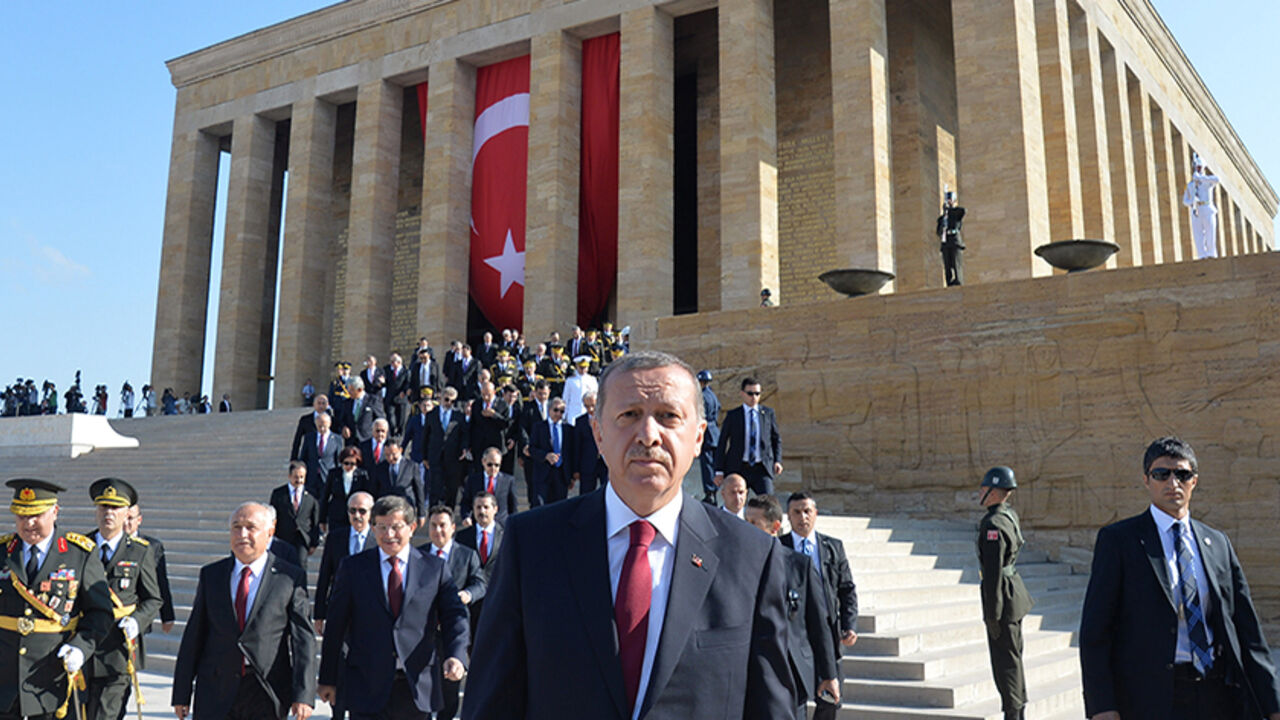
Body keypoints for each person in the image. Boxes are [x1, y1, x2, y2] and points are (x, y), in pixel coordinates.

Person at [462, 350, 795, 720]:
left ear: (699, 437)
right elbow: (490, 704)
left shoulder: (753, 558)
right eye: (629, 415)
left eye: (668, 416)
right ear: (598, 434)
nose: (648, 435)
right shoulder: (530, 545)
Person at [1080, 436, 1280, 720]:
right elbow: (1095, 631)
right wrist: (1102, 706)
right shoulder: (1119, 541)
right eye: (1161, 474)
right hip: (1152, 698)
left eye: (1182, 475)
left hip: (1217, 693)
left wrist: (1273, 704)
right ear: (1146, 480)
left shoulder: (1217, 543)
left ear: (1194, 481)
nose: (1172, 483)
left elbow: (1247, 629)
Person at [318, 496, 468, 719]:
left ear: (412, 527)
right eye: (382, 527)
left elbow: (454, 615)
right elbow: (335, 625)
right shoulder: (353, 568)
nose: (389, 534)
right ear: (373, 528)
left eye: (396, 527)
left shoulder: (434, 569)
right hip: (366, 686)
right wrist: (327, 678)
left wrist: (456, 655)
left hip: (415, 686)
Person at [172, 502, 315, 720]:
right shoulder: (212, 575)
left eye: (250, 527)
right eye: (236, 527)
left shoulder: (288, 578)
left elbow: (303, 639)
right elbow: (194, 635)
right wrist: (181, 692)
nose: (242, 535)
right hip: (216, 690)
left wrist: (303, 694)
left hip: (265, 690)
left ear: (270, 532)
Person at [0, 479, 113, 720]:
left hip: (52, 680)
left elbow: (100, 613)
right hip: (5, 681)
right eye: (21, 516)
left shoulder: (79, 553)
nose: (28, 523)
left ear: (55, 512)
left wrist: (81, 647)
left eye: (36, 515)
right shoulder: (2, 552)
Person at [744, 495, 840, 718]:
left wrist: (828, 675)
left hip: (790, 672)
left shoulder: (799, 565)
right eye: (745, 521)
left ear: (775, 527)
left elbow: (818, 623)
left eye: (754, 523)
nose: (746, 528)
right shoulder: (737, 564)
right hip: (750, 672)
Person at [83, 478, 162, 720]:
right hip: (85, 646)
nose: (109, 513)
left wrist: (137, 621)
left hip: (118, 650)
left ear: (127, 513)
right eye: (103, 507)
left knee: (106, 715)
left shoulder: (140, 551)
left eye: (115, 508)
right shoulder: (81, 547)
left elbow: (153, 599)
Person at [780, 491, 858, 720]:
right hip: (795, 634)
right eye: (796, 512)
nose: (802, 517)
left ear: (815, 513)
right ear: (788, 516)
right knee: (796, 700)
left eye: (807, 511)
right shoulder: (779, 547)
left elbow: (846, 589)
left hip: (828, 633)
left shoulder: (833, 547)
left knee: (831, 700)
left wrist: (849, 624)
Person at [976, 466, 1033, 720]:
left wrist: (992, 615)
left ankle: (1013, 714)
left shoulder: (993, 524)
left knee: (1005, 666)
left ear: (994, 491)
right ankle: (1018, 711)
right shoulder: (1009, 515)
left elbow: (993, 576)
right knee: (1014, 660)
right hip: (1014, 597)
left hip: (1004, 602)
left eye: (984, 488)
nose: (980, 492)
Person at [421, 506, 486, 720]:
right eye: (433, 525)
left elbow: (480, 583)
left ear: (453, 528)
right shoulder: (418, 554)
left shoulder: (467, 555)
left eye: (442, 525)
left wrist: (468, 594)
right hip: (423, 632)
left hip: (452, 632)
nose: (438, 530)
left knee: (449, 691)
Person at [314, 492, 375, 635]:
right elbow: (325, 576)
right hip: (340, 608)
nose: (357, 515)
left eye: (362, 511)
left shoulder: (379, 540)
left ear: (371, 513)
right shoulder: (335, 538)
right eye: (352, 511)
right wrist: (319, 614)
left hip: (370, 610)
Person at [715, 377, 782, 497]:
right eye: (750, 393)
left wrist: (777, 461)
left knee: (768, 502)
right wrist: (719, 470)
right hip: (738, 467)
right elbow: (722, 442)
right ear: (742, 394)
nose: (754, 397)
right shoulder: (733, 415)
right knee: (735, 501)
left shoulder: (768, 414)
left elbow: (776, 439)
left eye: (757, 393)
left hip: (761, 468)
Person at [269, 462, 322, 572]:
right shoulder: (279, 494)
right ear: (289, 476)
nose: (299, 480)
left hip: (302, 538)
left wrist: (314, 542)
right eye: (296, 477)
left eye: (302, 477)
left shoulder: (311, 495)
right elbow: (272, 517)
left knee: (300, 568)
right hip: (283, 537)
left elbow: (315, 519)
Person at [424, 387, 469, 509]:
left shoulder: (459, 416)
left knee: (452, 489)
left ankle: (450, 513)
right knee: (435, 487)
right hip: (435, 456)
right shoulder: (431, 415)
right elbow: (426, 436)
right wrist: (425, 457)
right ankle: (433, 512)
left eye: (453, 401)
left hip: (453, 457)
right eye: (447, 399)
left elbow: (464, 435)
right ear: (441, 398)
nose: (449, 403)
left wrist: (464, 448)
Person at [528, 397, 575, 504]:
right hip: (542, 474)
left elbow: (571, 453)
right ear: (549, 410)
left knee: (559, 508)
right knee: (540, 506)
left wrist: (571, 476)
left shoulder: (568, 429)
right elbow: (532, 449)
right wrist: (546, 455)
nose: (558, 413)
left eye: (562, 411)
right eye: (556, 410)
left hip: (561, 474)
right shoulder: (539, 427)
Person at [320, 447, 377, 532]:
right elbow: (325, 496)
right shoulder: (334, 474)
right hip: (336, 515)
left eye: (352, 464)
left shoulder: (362, 475)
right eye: (346, 463)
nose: (349, 466)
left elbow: (367, 497)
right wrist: (322, 520)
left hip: (355, 515)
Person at [460, 448, 518, 527]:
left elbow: (513, 506)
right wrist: (466, 517)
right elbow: (466, 502)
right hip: (478, 524)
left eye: (497, 465)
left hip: (501, 526)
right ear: (483, 462)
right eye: (490, 464)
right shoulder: (473, 480)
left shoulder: (508, 481)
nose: (493, 468)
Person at [1182, 153, 1221, 260]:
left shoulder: (1207, 181)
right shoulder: (1190, 185)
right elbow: (1185, 200)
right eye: (1197, 167)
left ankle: (1211, 253)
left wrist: (1201, 178)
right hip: (1196, 210)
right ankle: (1202, 254)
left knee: (1210, 233)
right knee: (1198, 234)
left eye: (1200, 167)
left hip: (1207, 208)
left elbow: (1217, 179)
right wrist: (1191, 202)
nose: (1198, 169)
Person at [376, 442, 427, 521]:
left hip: (406, 508)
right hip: (387, 509)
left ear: (400, 450)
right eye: (387, 455)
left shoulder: (411, 466)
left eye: (393, 454)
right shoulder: (380, 467)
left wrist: (421, 514)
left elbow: (419, 490)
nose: (390, 458)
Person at [298, 411, 343, 499]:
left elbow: (338, 460)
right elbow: (303, 457)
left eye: (324, 426)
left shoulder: (337, 439)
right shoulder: (309, 437)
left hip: (327, 476)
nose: (322, 429)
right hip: (312, 477)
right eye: (319, 426)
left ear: (329, 424)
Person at [572, 391, 608, 495]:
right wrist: (576, 469)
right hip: (587, 464)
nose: (590, 409)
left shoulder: (607, 419)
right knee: (586, 494)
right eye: (587, 406)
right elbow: (576, 446)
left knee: (607, 492)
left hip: (605, 462)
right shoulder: (580, 421)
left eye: (593, 405)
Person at [696, 370, 721, 505]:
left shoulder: (703, 397)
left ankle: (710, 493)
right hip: (714, 432)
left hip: (707, 433)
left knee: (707, 465)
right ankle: (713, 492)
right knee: (712, 464)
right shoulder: (712, 395)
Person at [340, 377, 385, 447]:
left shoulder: (373, 401)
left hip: (366, 440)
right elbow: (342, 419)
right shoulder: (347, 403)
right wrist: (344, 427)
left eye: (351, 390)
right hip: (351, 441)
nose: (349, 392)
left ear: (360, 390)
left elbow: (381, 420)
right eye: (348, 389)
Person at [936, 189, 966, 286]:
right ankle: (949, 282)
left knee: (956, 263)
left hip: (955, 241)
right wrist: (943, 222)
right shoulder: (942, 218)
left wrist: (949, 210)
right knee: (947, 264)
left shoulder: (956, 213)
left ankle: (958, 280)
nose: (948, 202)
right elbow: (938, 232)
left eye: (950, 200)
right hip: (946, 242)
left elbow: (963, 211)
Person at [291, 395, 333, 461]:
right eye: (319, 403)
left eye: (323, 403)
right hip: (310, 456)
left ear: (327, 405)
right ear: (314, 404)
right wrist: (294, 458)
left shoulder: (333, 420)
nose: (321, 406)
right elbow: (297, 439)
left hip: (327, 458)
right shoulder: (305, 420)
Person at [384, 353, 411, 440]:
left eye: (393, 362)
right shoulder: (387, 370)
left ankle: (400, 433)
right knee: (390, 416)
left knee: (401, 418)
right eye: (391, 362)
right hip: (390, 397)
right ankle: (392, 431)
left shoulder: (406, 372)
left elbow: (408, 383)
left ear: (399, 362)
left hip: (401, 397)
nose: (391, 364)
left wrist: (404, 391)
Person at [561, 356, 598, 423]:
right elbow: (565, 399)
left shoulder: (592, 380)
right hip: (573, 414)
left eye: (585, 367)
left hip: (587, 413)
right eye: (581, 367)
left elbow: (597, 398)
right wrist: (564, 415)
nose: (583, 370)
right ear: (576, 366)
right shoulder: (570, 381)